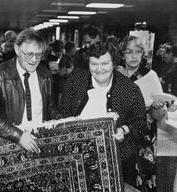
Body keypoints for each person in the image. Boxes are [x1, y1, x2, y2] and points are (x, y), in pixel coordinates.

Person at [60, 40, 147, 187]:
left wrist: (123, 130)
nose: (99, 69)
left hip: (118, 160)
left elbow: (140, 123)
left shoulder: (129, 89)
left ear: (114, 63)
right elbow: (62, 113)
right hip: (78, 160)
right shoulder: (75, 82)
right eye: (94, 64)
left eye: (105, 64)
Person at [0, 28, 61, 154]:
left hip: (37, 141)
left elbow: (50, 107)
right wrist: (18, 135)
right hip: (9, 141)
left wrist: (63, 122)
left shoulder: (45, 74)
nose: (34, 60)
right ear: (17, 50)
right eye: (29, 54)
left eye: (39, 55)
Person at [117, 35, 165, 191]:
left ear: (142, 54)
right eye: (129, 52)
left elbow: (159, 116)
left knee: (144, 180)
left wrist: (156, 107)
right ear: (122, 53)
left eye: (138, 52)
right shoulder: (114, 75)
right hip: (119, 137)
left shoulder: (150, 76)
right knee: (120, 179)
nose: (134, 56)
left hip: (143, 139)